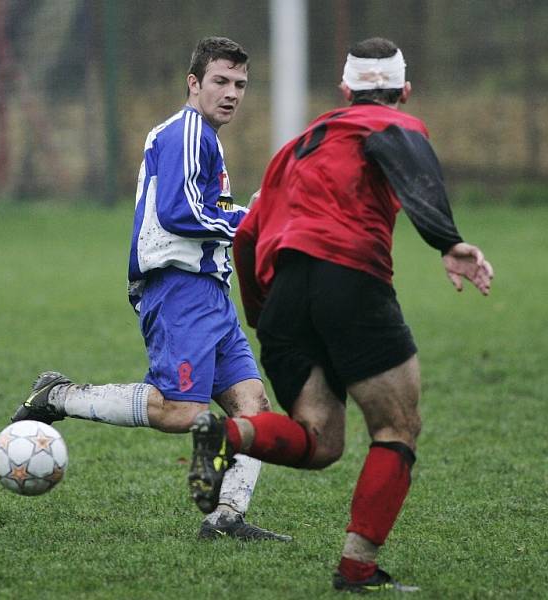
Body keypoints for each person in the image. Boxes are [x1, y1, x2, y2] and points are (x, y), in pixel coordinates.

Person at [187, 37, 494, 592]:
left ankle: (227, 433)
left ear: (344, 90)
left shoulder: (294, 147)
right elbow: (411, 161)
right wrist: (448, 241)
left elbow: (249, 235)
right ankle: (358, 570)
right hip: (350, 279)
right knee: (397, 426)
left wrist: (265, 316)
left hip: (284, 296)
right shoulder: (393, 123)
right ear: (404, 91)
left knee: (321, 441)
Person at [10, 36, 289, 542]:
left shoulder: (204, 137)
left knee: (253, 408)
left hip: (209, 292)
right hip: (179, 288)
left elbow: (203, 212)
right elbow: (179, 214)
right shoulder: (185, 131)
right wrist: (250, 221)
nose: (231, 93)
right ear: (194, 82)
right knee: (181, 411)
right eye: (220, 81)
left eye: (240, 85)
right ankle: (61, 396)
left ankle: (225, 518)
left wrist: (243, 214)